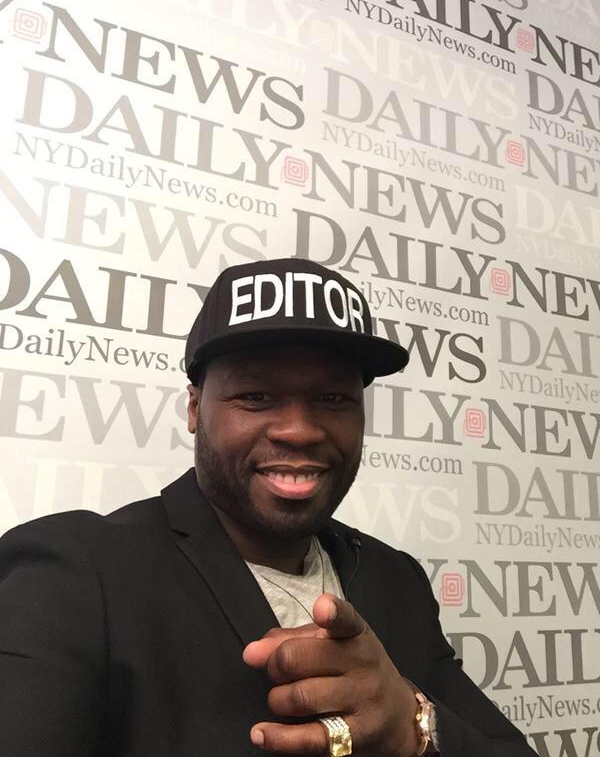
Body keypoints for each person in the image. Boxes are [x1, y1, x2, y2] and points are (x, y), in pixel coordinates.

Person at [0, 258, 538, 757]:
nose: (299, 430)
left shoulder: (397, 579)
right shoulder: (71, 576)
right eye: (256, 396)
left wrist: (414, 726)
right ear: (195, 408)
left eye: (333, 398)